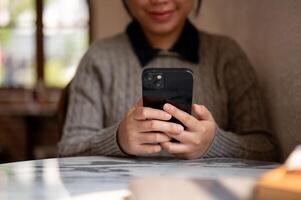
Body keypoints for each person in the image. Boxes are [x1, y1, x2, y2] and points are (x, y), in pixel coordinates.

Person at [58, 0, 278, 160]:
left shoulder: (226, 55)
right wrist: (117, 139)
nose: (159, 1)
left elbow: (267, 148)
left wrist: (215, 143)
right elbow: (67, 149)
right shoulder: (98, 58)